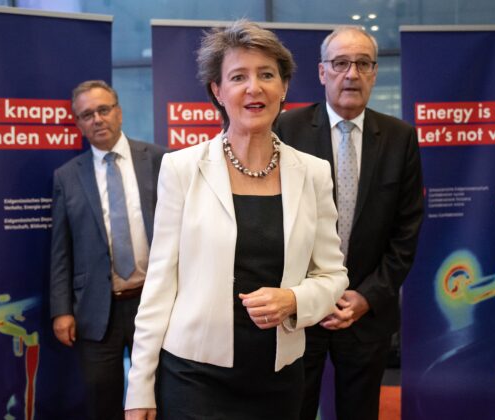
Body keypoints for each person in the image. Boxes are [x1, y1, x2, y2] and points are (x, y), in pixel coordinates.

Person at [124, 20, 348, 420]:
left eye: (266, 75)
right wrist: (140, 389)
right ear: (218, 91)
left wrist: (294, 300)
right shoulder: (181, 168)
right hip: (195, 377)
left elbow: (333, 277)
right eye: (238, 77)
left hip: (278, 377)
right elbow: (159, 286)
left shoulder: (313, 173)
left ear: (284, 88)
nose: (253, 88)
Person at [274, 25, 424, 420]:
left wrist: (365, 297)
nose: (351, 74)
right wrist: (306, 295)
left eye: (362, 63)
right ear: (322, 72)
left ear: (375, 73)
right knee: (294, 410)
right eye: (340, 63)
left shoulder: (400, 138)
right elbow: (271, 221)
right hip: (300, 312)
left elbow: (406, 232)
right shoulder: (284, 132)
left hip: (365, 312)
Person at [49, 80, 166, 420]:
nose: (97, 119)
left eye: (103, 110)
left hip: (153, 302)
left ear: (119, 112)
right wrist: (61, 310)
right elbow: (61, 249)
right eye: (87, 114)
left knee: (160, 396)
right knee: (102, 400)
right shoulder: (67, 176)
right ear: (78, 123)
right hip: (97, 310)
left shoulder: (160, 159)